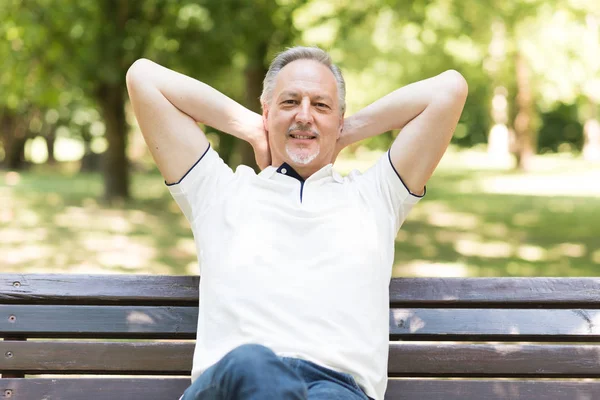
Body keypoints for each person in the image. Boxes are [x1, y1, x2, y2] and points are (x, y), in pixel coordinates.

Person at [125, 46, 468, 400]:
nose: (304, 116)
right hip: (233, 385)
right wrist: (252, 128)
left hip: (336, 390)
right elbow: (144, 78)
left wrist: (343, 133)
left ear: (340, 117)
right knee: (252, 362)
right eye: (290, 103)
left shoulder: (375, 197)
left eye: (321, 105)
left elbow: (449, 90)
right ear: (266, 111)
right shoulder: (218, 191)